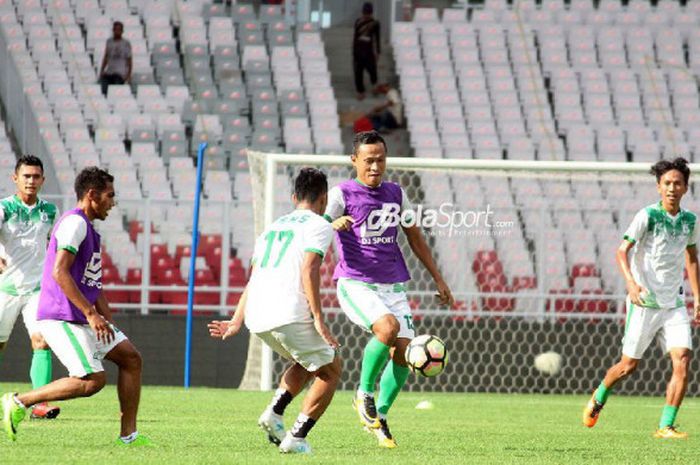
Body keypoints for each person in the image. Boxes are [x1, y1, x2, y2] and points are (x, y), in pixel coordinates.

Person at [1, 167, 149, 446]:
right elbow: (59, 272)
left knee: (131, 358)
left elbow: (92, 282)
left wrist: (106, 317)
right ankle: (19, 402)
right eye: (110, 195)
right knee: (92, 380)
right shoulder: (74, 224)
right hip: (61, 316)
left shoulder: (89, 229)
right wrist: (92, 314)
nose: (113, 202)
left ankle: (129, 436)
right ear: (92, 195)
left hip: (81, 316)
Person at [324, 130, 454, 448]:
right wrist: (331, 224)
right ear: (354, 161)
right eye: (368, 160)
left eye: (381, 160)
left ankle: (379, 416)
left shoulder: (396, 193)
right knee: (387, 327)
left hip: (392, 285)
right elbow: (314, 226)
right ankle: (363, 395)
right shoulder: (341, 194)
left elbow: (414, 236)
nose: (375, 167)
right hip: (355, 282)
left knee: (405, 352)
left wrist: (438, 278)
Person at [208, 168, 341, 454]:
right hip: (288, 311)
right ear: (324, 198)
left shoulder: (271, 229)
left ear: (294, 197)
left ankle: (274, 413)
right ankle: (297, 438)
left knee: (308, 361)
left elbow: (253, 278)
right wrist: (318, 318)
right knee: (331, 369)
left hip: (257, 316)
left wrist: (236, 321)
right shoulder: (320, 225)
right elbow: (310, 268)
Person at [583, 157, 700, 439]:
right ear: (659, 187)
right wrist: (632, 285)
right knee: (628, 367)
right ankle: (599, 395)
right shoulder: (647, 216)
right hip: (644, 302)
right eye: (667, 183)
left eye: (678, 183)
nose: (672, 188)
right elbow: (621, 251)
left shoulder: (690, 221)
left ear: (686, 188)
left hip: (673, 304)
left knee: (683, 358)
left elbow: (692, 258)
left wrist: (697, 296)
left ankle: (666, 426)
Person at [0, 156, 61, 419]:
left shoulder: (50, 211)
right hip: (7, 288)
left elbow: (57, 246)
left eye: (36, 176)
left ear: (42, 180)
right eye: (26, 176)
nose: (31, 181)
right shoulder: (4, 208)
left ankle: (39, 404)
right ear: (15, 179)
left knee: (42, 341)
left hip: (37, 289)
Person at [353, 2, 381, 100]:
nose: (366, 16)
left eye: (368, 14)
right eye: (365, 13)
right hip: (359, 50)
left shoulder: (375, 23)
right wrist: (354, 51)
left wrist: (378, 51)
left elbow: (377, 38)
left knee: (372, 70)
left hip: (369, 50)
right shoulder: (358, 22)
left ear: (371, 13)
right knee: (358, 72)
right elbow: (355, 37)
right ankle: (361, 91)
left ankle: (374, 86)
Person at [99, 21, 132, 96]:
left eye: (119, 30)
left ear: (122, 31)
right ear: (113, 30)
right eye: (115, 29)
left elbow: (129, 60)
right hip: (110, 72)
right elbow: (106, 56)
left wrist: (129, 75)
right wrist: (102, 70)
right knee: (103, 85)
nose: (117, 31)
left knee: (116, 90)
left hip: (120, 73)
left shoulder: (126, 43)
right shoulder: (109, 42)